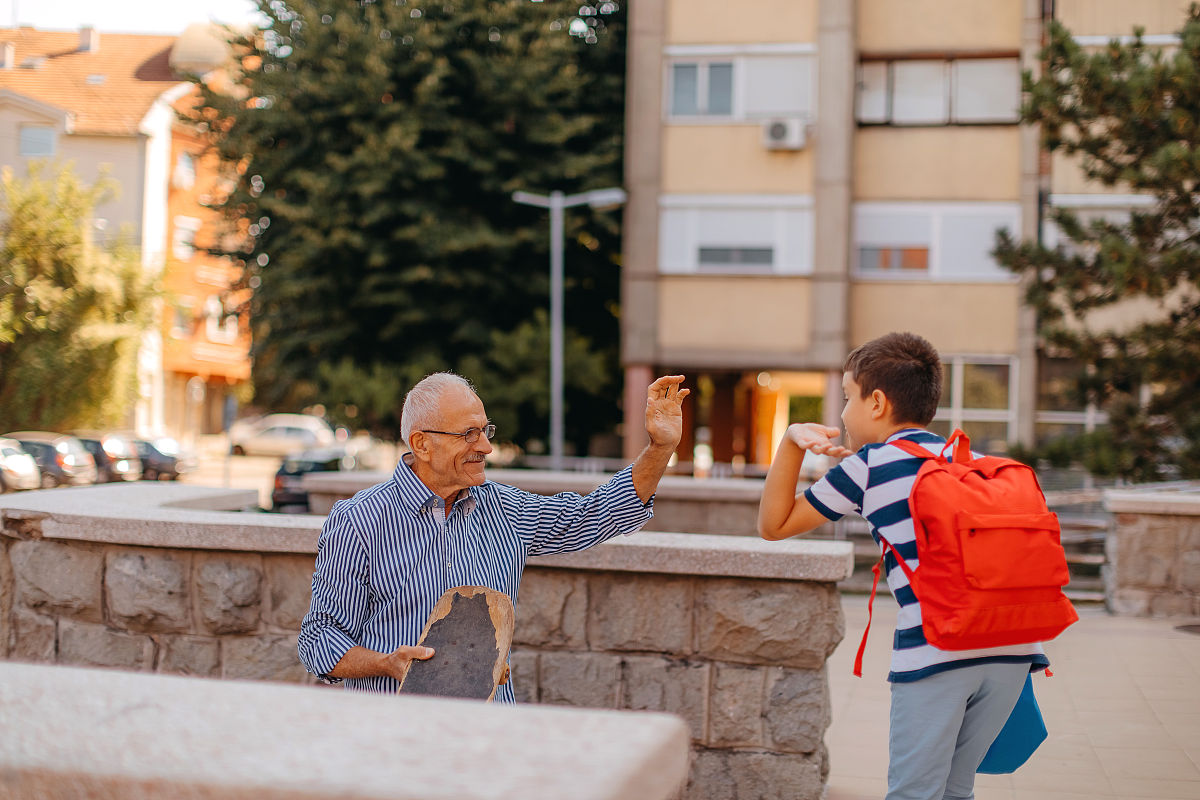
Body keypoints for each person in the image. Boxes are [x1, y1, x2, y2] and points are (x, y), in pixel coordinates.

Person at [757, 332, 1048, 800]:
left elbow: (774, 525)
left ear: (876, 402)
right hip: (1015, 650)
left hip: (939, 652)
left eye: (848, 399)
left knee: (914, 792)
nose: (843, 414)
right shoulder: (965, 459)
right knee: (956, 789)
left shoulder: (869, 467)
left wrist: (792, 443)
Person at [298, 371, 689, 703]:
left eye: (485, 431)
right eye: (468, 434)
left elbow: (594, 514)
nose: (485, 446)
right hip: (392, 740)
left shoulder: (506, 509)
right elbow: (319, 639)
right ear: (421, 443)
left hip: (487, 742)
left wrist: (660, 447)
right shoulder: (358, 521)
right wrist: (387, 663)